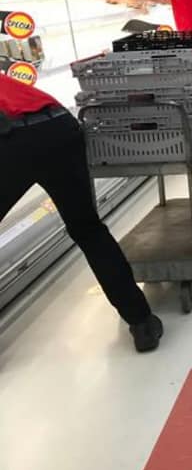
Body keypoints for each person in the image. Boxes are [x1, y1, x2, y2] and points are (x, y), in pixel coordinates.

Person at [0, 74, 163, 352]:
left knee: (88, 229)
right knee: (88, 230)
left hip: (10, 138)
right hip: (58, 126)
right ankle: (142, 323)